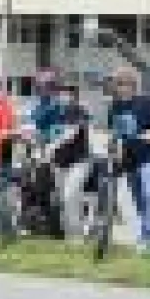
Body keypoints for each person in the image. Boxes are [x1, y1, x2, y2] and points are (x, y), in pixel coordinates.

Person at [106, 67, 150, 253]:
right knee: (140, 200)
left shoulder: (146, 102)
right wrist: (113, 147)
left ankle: (148, 238)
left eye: (125, 84)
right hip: (129, 159)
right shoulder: (114, 106)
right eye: (119, 84)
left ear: (133, 85)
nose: (122, 88)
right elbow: (114, 133)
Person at [49, 82, 92, 240]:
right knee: (63, 199)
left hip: (79, 162)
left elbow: (72, 133)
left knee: (70, 195)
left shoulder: (79, 110)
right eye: (61, 93)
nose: (64, 96)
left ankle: (77, 236)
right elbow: (36, 126)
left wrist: (52, 146)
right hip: (59, 163)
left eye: (68, 93)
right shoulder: (53, 111)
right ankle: (68, 235)